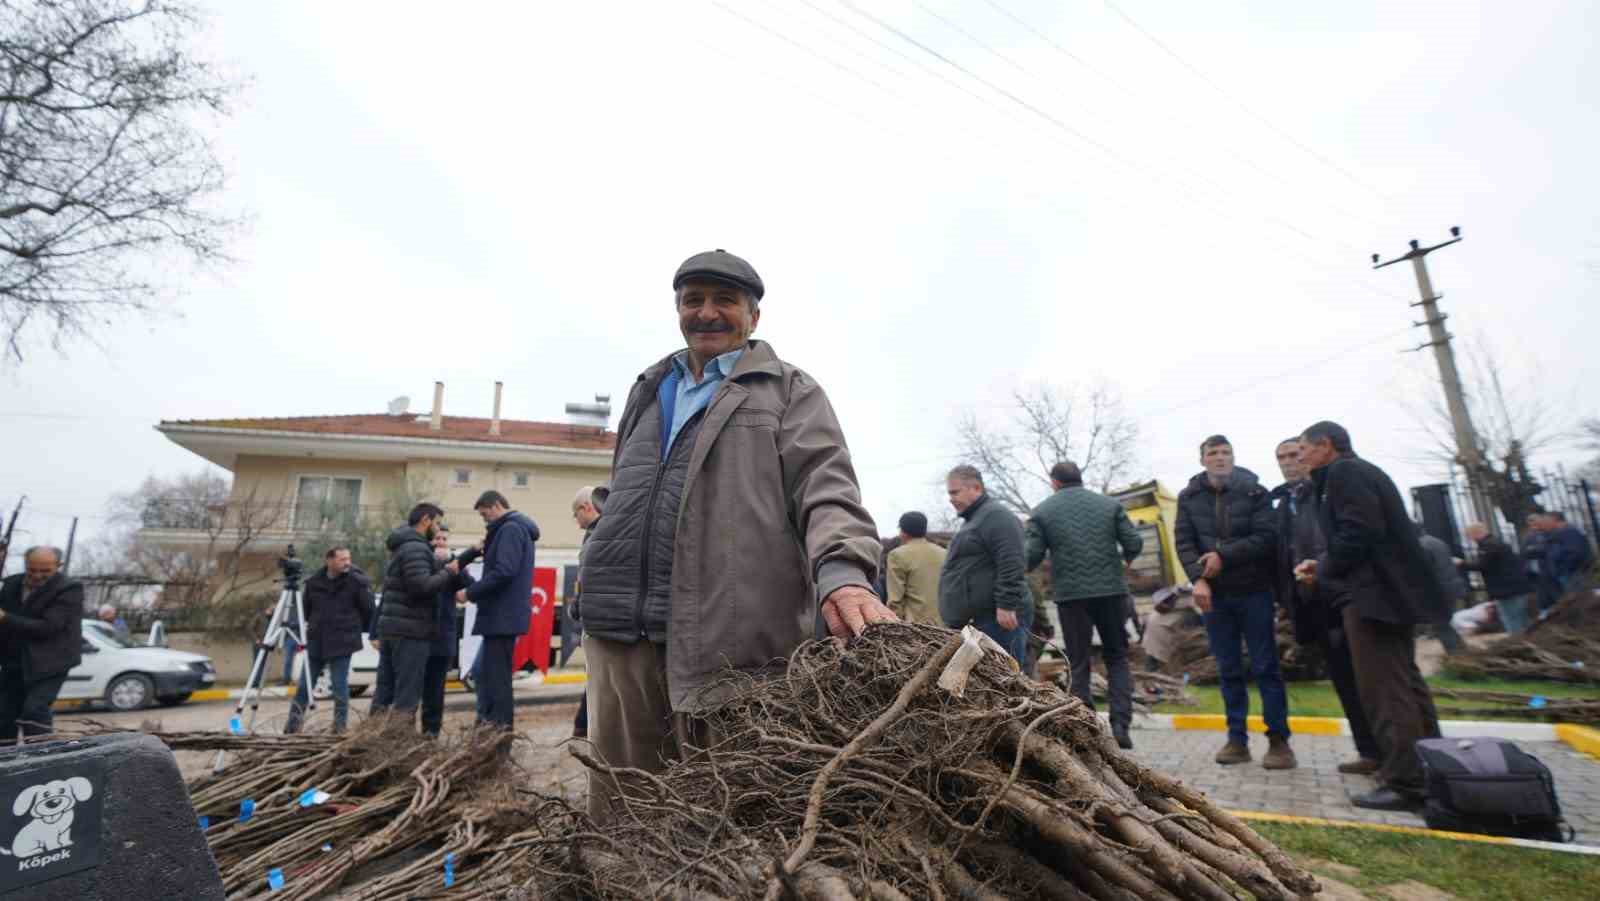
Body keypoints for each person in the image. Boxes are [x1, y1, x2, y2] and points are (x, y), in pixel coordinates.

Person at [578, 249, 889, 822]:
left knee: (733, 811)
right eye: (692, 300)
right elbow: (646, 484)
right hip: (621, 628)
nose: (707, 313)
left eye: (725, 300)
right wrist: (604, 516)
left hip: (732, 636)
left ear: (754, 317)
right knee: (623, 810)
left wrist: (843, 574)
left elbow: (826, 488)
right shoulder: (650, 387)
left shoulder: (787, 389)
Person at [1295, 421, 1441, 811]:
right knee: (1406, 685)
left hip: (1372, 598)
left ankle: (1407, 782)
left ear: (1325, 445)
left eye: (1304, 450)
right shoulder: (1362, 472)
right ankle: (1434, 768)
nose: (1301, 458)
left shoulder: (1345, 472)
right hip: (1388, 594)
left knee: (1385, 691)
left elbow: (1359, 532)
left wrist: (1322, 566)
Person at [1175, 435, 1295, 770]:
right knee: (1228, 670)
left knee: (1266, 667)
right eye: (1213, 453)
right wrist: (1197, 578)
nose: (1220, 458)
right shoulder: (1189, 497)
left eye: (1226, 452)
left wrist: (1223, 556)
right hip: (1215, 597)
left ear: (1233, 456)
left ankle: (1279, 741)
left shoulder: (1254, 491)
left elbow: (1266, 538)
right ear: (1203, 460)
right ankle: (1236, 740)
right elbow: (1183, 542)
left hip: (1254, 591)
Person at [1273, 437, 1381, 775]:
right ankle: (1370, 752)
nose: (1289, 461)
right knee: (1345, 680)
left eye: (1294, 454)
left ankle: (1393, 756)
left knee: (1372, 680)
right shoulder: (1283, 504)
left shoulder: (1326, 492)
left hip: (1344, 596)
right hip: (1312, 604)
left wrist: (1321, 569)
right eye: (1282, 457)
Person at [1025, 461, 1143, 749]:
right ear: (1080, 479)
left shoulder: (1042, 511)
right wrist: (1127, 558)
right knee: (1116, 657)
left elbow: (1031, 556)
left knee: (1078, 661)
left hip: (1071, 596)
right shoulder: (1108, 505)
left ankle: (1087, 729)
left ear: (1054, 482)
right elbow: (1134, 541)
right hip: (1112, 593)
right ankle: (1121, 725)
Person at [456, 490, 538, 731]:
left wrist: (469, 593)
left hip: (502, 617)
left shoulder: (510, 530)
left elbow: (504, 571)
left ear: (494, 506)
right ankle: (488, 727)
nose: (485, 521)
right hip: (501, 617)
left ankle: (499, 733)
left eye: (484, 515)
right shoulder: (510, 529)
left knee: (497, 680)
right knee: (485, 674)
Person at [372, 503, 457, 727]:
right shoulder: (416, 549)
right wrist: (447, 572)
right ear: (426, 520)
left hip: (393, 629)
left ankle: (369, 743)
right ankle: (399, 748)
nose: (438, 530)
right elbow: (421, 586)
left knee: (384, 692)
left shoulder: (403, 547)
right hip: (410, 632)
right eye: (437, 523)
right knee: (406, 695)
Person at [939, 465, 1030, 663]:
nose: (951, 499)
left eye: (955, 492)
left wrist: (1006, 604)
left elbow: (1011, 559)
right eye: (949, 493)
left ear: (976, 488)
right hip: (980, 621)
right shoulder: (975, 520)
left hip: (999, 620)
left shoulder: (996, 516)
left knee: (1005, 683)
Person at [286, 546, 376, 734]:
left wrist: (353, 627)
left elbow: (368, 610)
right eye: (342, 559)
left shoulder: (356, 582)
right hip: (317, 640)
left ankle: (339, 728)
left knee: (339, 685)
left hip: (343, 641)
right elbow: (306, 610)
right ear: (329, 561)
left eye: (348, 558)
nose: (347, 563)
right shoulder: (313, 583)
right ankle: (292, 727)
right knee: (304, 685)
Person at [0, 547, 83, 743]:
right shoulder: (11, 583)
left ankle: (43, 757)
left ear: (58, 566)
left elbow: (49, 627)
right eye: (32, 570)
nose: (37, 576)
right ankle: (6, 759)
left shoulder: (69, 589)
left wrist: (5, 618)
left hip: (51, 662)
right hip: (15, 661)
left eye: (45, 571)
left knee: (34, 711)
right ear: (25, 564)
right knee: (4, 713)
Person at [569, 485, 604, 739]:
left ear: (586, 508)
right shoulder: (598, 532)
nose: (576, 522)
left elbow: (588, 577)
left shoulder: (598, 534)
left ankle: (584, 727)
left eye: (576, 514)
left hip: (597, 617)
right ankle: (583, 726)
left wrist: (577, 605)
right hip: (596, 614)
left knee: (596, 675)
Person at [1461, 522, 1535, 635]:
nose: (1469, 539)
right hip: (1513, 586)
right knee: (1521, 617)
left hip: (1506, 588)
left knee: (1511, 618)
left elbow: (1483, 565)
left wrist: (1461, 564)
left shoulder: (1489, 546)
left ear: (1475, 533)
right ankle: (1528, 638)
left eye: (1469, 536)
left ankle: (1517, 641)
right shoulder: (1495, 543)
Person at [886, 512, 946, 626]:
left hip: (917, 629)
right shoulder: (944, 553)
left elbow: (895, 599)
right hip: (945, 626)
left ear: (903, 531)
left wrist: (893, 626)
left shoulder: (897, 555)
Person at [1416, 532, 1467, 653]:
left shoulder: (1421, 545)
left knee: (1441, 624)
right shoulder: (1437, 541)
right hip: (1452, 585)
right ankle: (1461, 651)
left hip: (1439, 589)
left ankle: (1457, 654)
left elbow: (1424, 571)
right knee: (1445, 623)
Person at [1543, 512, 1594, 595]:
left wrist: (1564, 569)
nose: (1544, 524)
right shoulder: (1558, 533)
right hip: (1569, 574)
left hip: (1575, 574)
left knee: (1581, 599)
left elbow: (1575, 553)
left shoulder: (1569, 532)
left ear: (1554, 520)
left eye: (1546, 521)